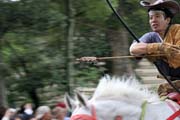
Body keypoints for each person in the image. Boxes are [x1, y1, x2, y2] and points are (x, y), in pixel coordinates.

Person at [129, 0, 180, 96]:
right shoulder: (151, 37)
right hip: (171, 86)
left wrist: (156, 51)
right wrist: (159, 47)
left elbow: (177, 59)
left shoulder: (178, 30)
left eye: (157, 16)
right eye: (151, 17)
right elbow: (133, 50)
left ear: (167, 20)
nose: (153, 20)